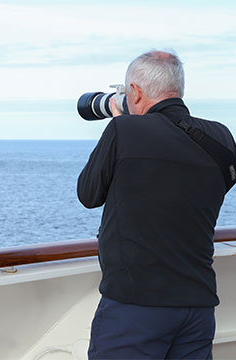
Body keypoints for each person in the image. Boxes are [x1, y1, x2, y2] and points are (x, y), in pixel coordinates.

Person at [78, 50, 236, 359]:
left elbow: (88, 194)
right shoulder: (221, 136)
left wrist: (122, 122)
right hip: (198, 305)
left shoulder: (124, 130)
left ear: (134, 92)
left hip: (136, 307)